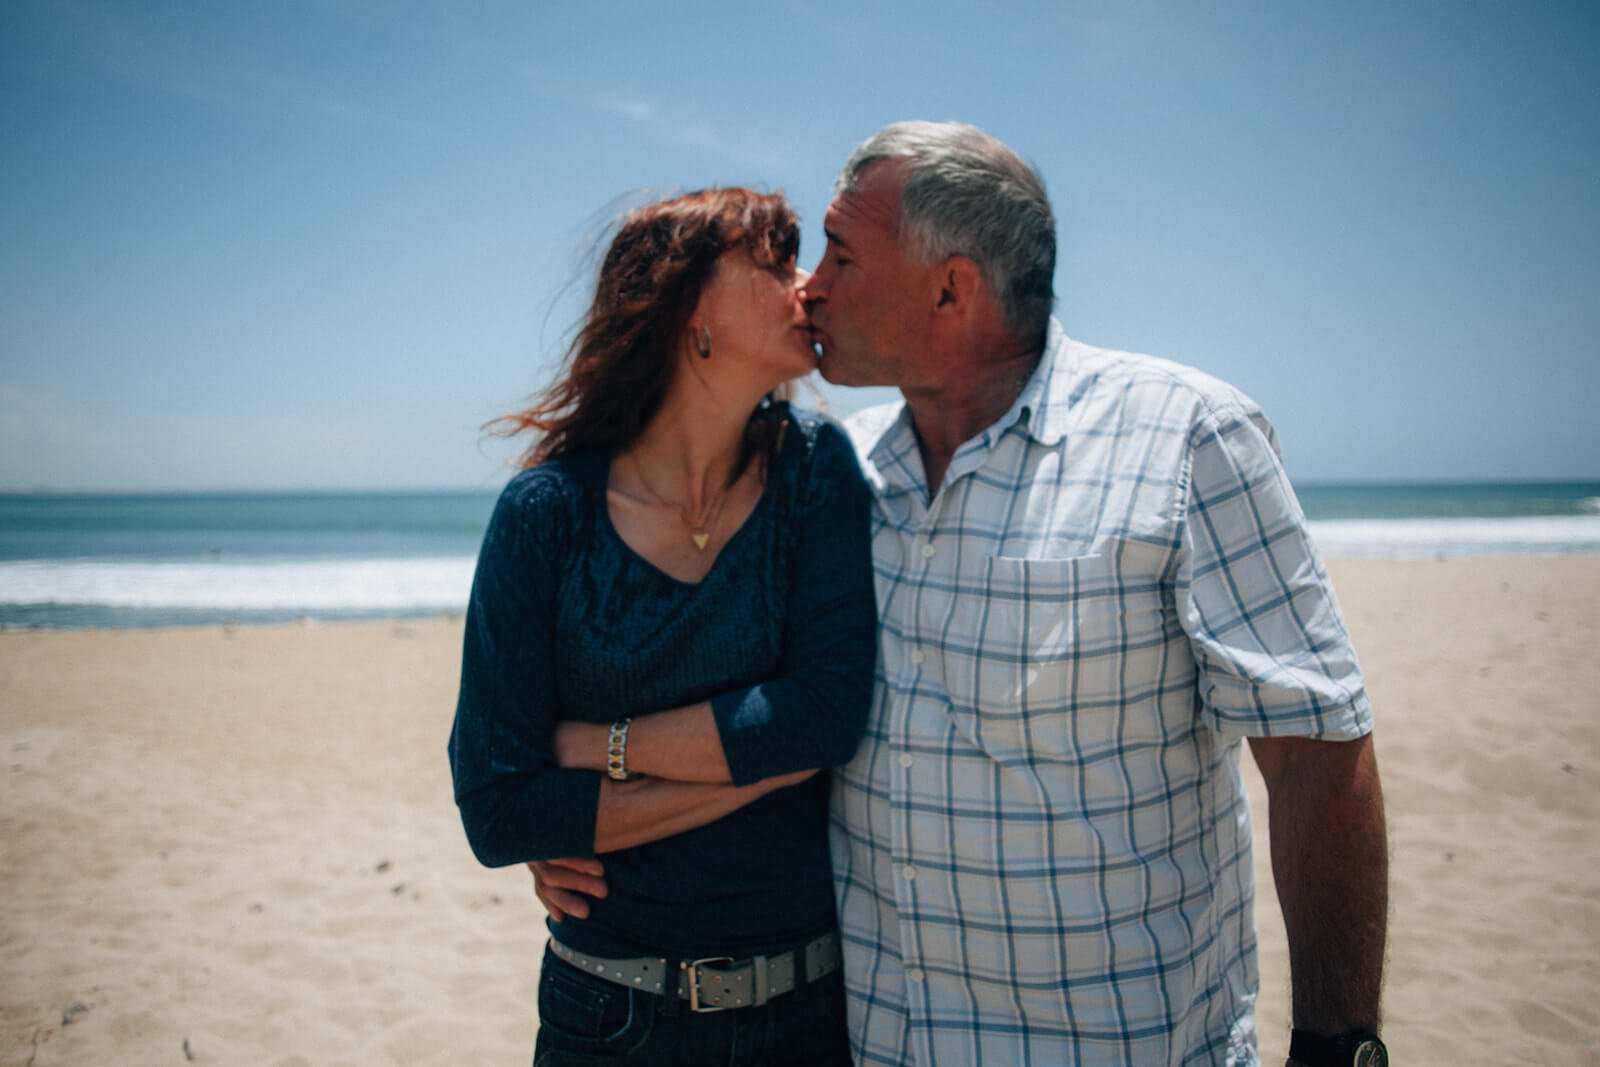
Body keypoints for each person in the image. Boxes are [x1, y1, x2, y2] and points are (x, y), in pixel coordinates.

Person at [537, 123, 1389, 1067]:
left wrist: (1336, 1045)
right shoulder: (830, 479)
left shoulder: (1187, 440)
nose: (809, 285)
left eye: (842, 254)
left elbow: (1316, 750)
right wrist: (596, 820)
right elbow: (760, 716)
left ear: (952, 287)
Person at [449, 187, 876, 1066]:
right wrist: (770, 763)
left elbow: (827, 715)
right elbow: (498, 808)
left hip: (805, 1013)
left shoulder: (813, 471)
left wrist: (598, 747)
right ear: (691, 311)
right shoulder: (546, 515)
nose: (809, 286)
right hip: (611, 1015)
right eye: (774, 262)